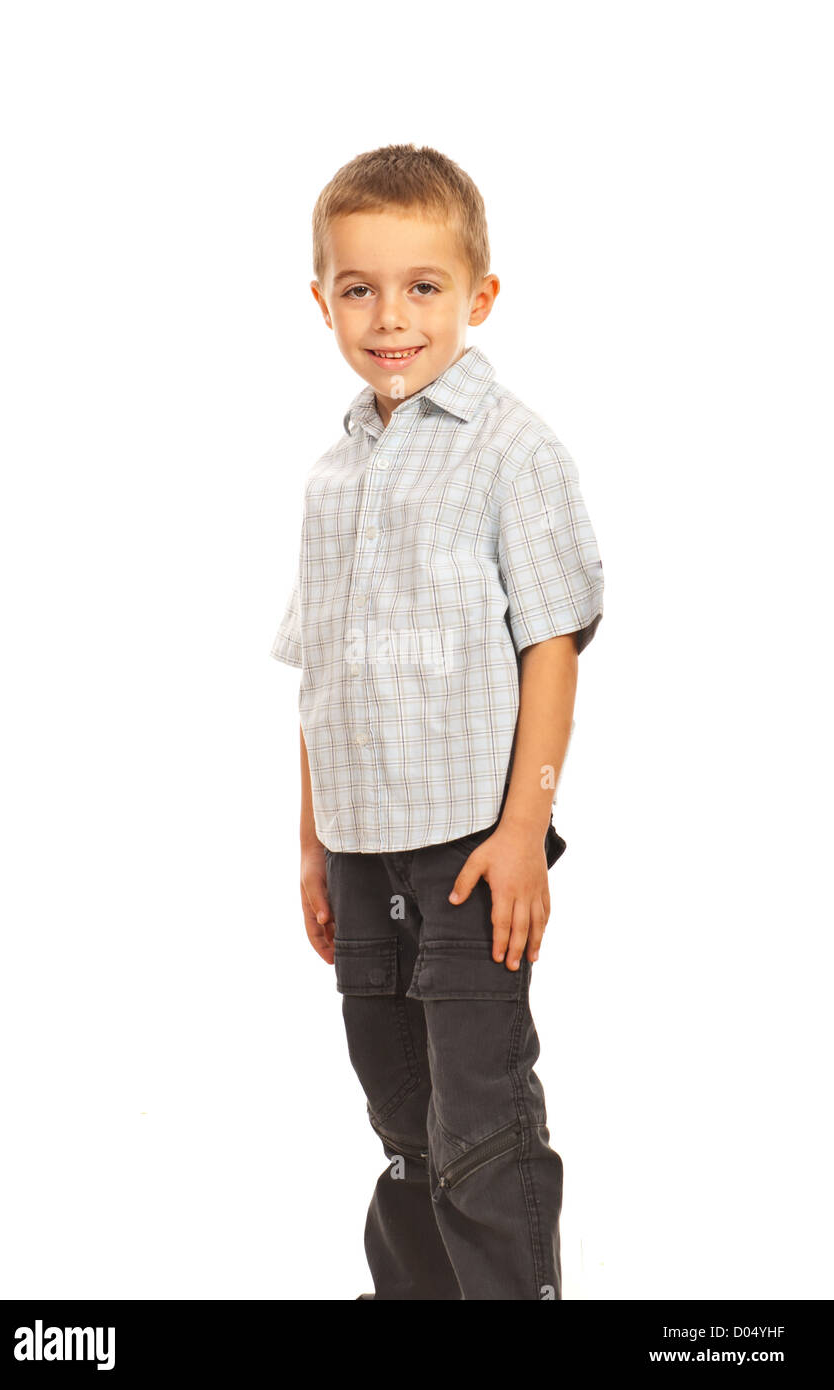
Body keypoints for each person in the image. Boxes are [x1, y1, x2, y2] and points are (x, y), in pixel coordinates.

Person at [270, 143, 605, 1300]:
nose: (391, 315)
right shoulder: (331, 478)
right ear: (323, 301)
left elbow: (550, 645)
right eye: (358, 288)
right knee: (400, 1107)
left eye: (422, 286)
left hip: (472, 843)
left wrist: (525, 830)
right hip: (364, 850)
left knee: (480, 1110)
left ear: (479, 295)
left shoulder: (513, 451)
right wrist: (314, 842)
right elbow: (322, 674)